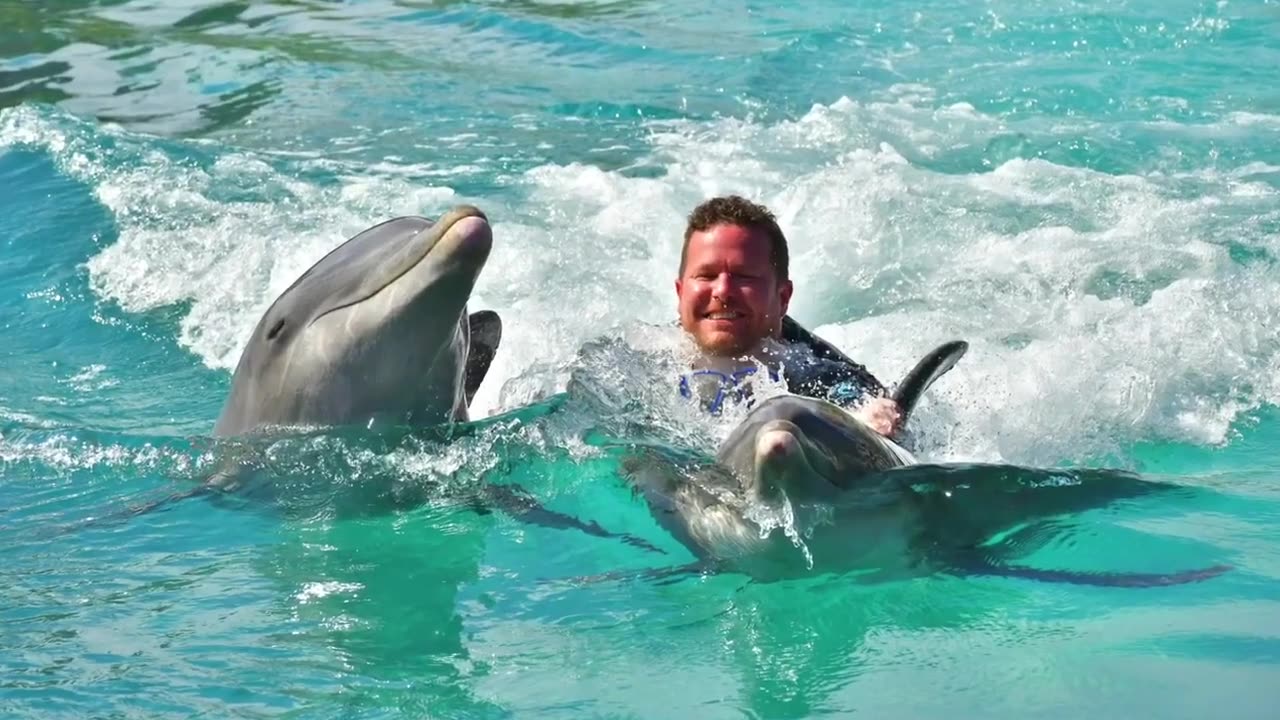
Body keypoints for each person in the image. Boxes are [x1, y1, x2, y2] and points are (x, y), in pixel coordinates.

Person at [674, 194, 902, 437]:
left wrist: (869, 417)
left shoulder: (806, 364)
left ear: (783, 298)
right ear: (680, 292)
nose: (723, 291)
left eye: (745, 276)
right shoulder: (649, 353)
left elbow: (858, 393)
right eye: (706, 276)